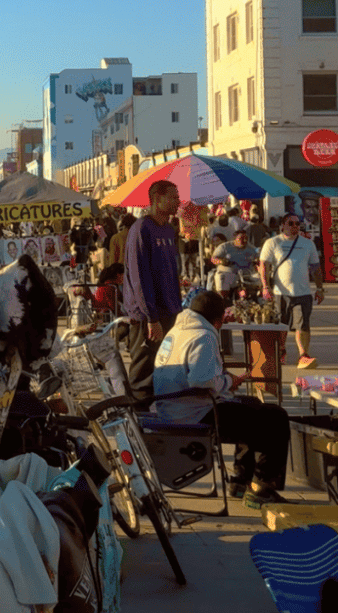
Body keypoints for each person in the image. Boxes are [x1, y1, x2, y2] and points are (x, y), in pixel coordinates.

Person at [154, 291, 291, 508]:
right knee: (276, 418)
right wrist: (228, 382)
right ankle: (263, 487)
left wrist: (225, 381)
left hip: (172, 407)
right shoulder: (203, 336)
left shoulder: (177, 331)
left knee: (251, 407)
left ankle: (241, 480)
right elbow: (201, 382)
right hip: (193, 412)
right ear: (218, 321)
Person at [123, 180, 182, 400]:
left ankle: (159, 410)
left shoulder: (169, 229)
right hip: (148, 315)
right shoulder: (141, 229)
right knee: (144, 370)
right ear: (157, 199)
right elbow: (139, 276)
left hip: (169, 310)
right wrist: (151, 317)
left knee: (165, 366)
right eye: (173, 197)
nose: (178, 202)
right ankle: (139, 412)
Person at [259, 213, 325, 369]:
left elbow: (315, 268)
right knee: (281, 325)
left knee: (302, 325)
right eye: (291, 223)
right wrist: (265, 286)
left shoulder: (308, 244)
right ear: (282, 225)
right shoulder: (273, 242)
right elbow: (264, 266)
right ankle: (281, 350)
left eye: (297, 223)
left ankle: (303, 355)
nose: (295, 226)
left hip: (303, 292)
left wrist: (320, 288)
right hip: (280, 293)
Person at [209, 229, 259, 297]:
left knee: (259, 279)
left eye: (246, 239)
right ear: (235, 239)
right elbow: (213, 259)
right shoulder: (224, 247)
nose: (244, 241)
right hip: (229, 273)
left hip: (246, 274)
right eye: (241, 239)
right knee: (221, 278)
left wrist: (257, 262)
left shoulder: (251, 248)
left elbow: (259, 258)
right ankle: (224, 299)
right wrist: (221, 261)